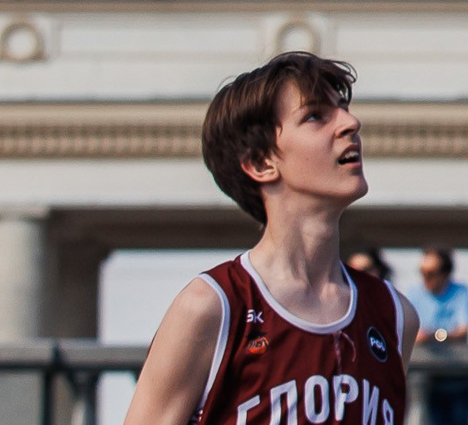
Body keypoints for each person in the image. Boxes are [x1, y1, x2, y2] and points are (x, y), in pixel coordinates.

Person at [119, 52, 416, 425]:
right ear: (261, 163)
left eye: (343, 108)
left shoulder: (394, 315)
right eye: (315, 116)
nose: (350, 123)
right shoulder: (211, 306)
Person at [410, 247, 468, 425]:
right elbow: (409, 333)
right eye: (422, 272)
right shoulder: (414, 294)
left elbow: (463, 331)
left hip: (456, 377)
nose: (425, 278)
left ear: (445, 273)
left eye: (430, 273)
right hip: (425, 380)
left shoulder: (460, 292)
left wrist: (435, 335)